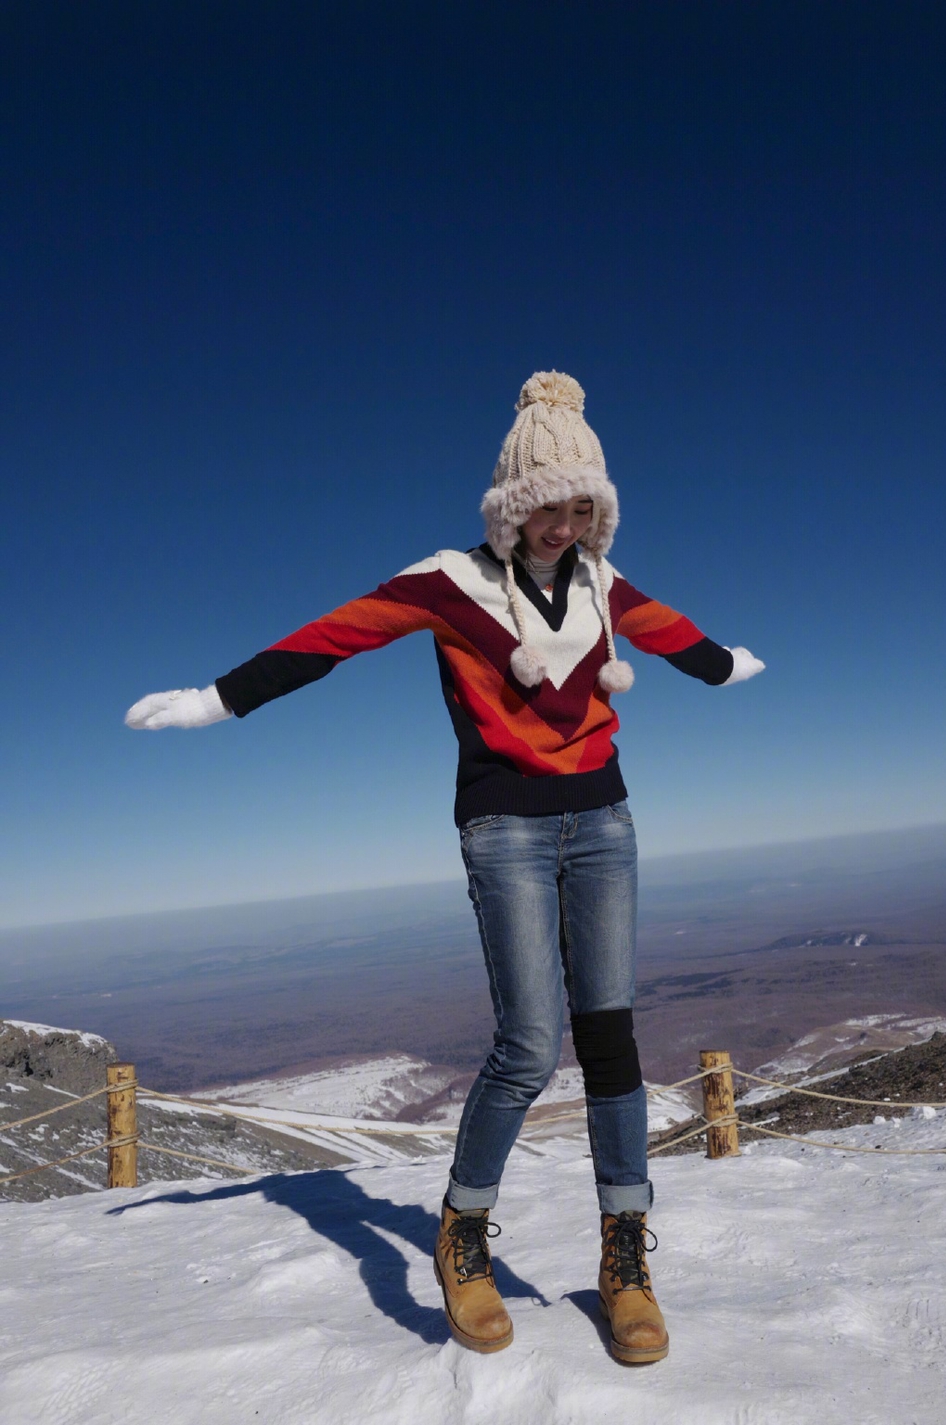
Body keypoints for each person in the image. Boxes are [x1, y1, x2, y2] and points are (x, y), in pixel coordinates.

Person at [126, 370, 764, 1364]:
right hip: (504, 827)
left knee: (611, 1041)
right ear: (511, 505)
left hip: (604, 821)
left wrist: (723, 665)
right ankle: (461, 1231)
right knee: (528, 1044)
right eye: (546, 507)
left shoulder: (602, 584)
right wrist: (218, 699)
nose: (562, 526)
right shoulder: (447, 583)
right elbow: (334, 637)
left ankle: (624, 1258)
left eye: (581, 508)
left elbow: (670, 630)